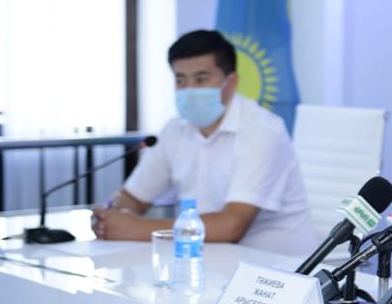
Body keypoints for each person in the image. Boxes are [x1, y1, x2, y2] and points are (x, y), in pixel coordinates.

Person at [91, 30, 314, 257]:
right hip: (205, 258)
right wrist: (113, 215)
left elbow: (232, 225)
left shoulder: (262, 131)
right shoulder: (174, 130)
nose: (189, 90)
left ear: (231, 82)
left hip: (272, 265)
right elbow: (133, 196)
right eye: (180, 80)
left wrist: (135, 228)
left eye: (201, 79)